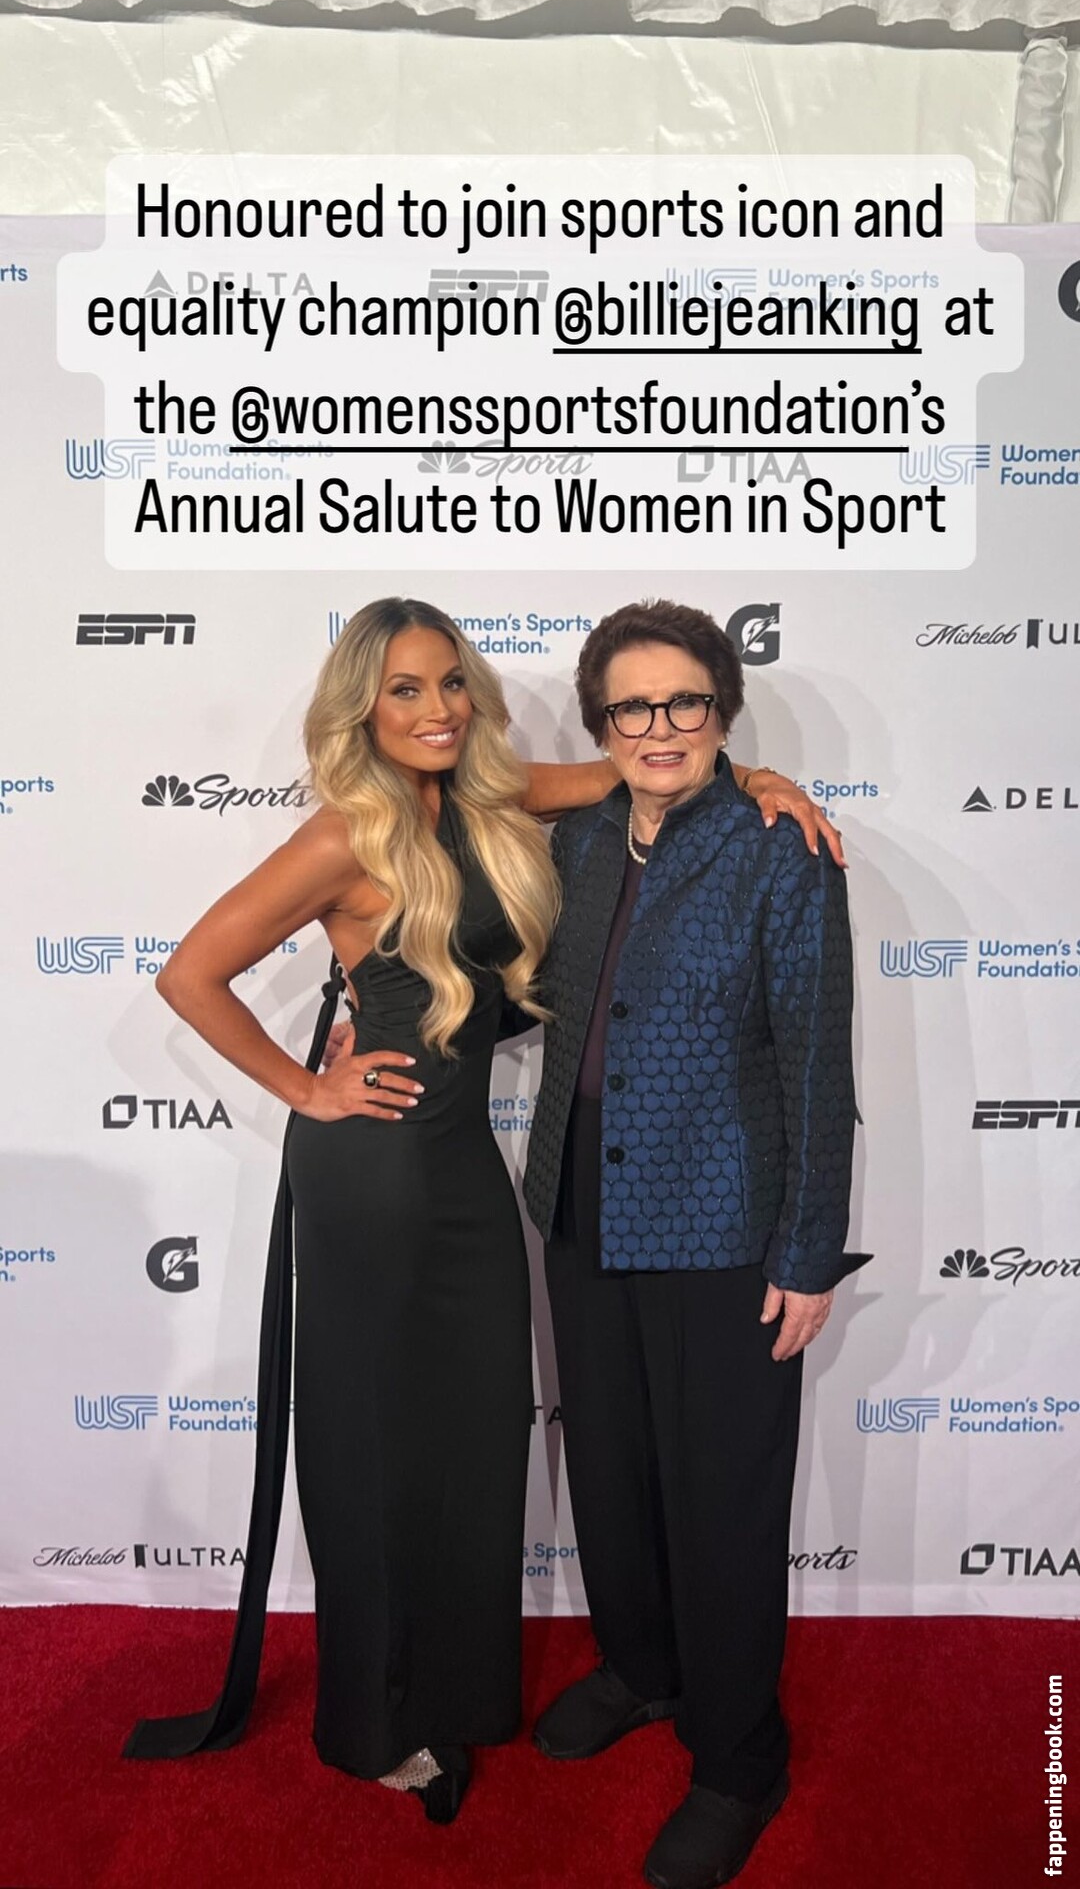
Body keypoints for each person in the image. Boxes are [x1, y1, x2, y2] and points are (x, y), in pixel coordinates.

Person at [123, 595, 842, 1823]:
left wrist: (758, 777)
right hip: (379, 1173)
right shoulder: (346, 834)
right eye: (404, 689)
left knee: (471, 1450)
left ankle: (471, 1701)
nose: (437, 708)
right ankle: (381, 1718)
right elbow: (190, 973)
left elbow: (647, 770)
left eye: (451, 682)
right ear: (360, 708)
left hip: (473, 1177)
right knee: (378, 1454)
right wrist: (308, 1086)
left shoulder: (499, 799)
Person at [523, 599, 868, 1889]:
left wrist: (807, 1253)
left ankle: (738, 1757)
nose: (659, 726)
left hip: (723, 1223)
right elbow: (538, 995)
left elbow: (816, 1063)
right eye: (632, 705)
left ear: (723, 713)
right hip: (579, 1206)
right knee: (611, 1472)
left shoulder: (782, 848)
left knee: (721, 1501)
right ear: (602, 721)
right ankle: (642, 1668)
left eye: (686, 702)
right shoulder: (581, 838)